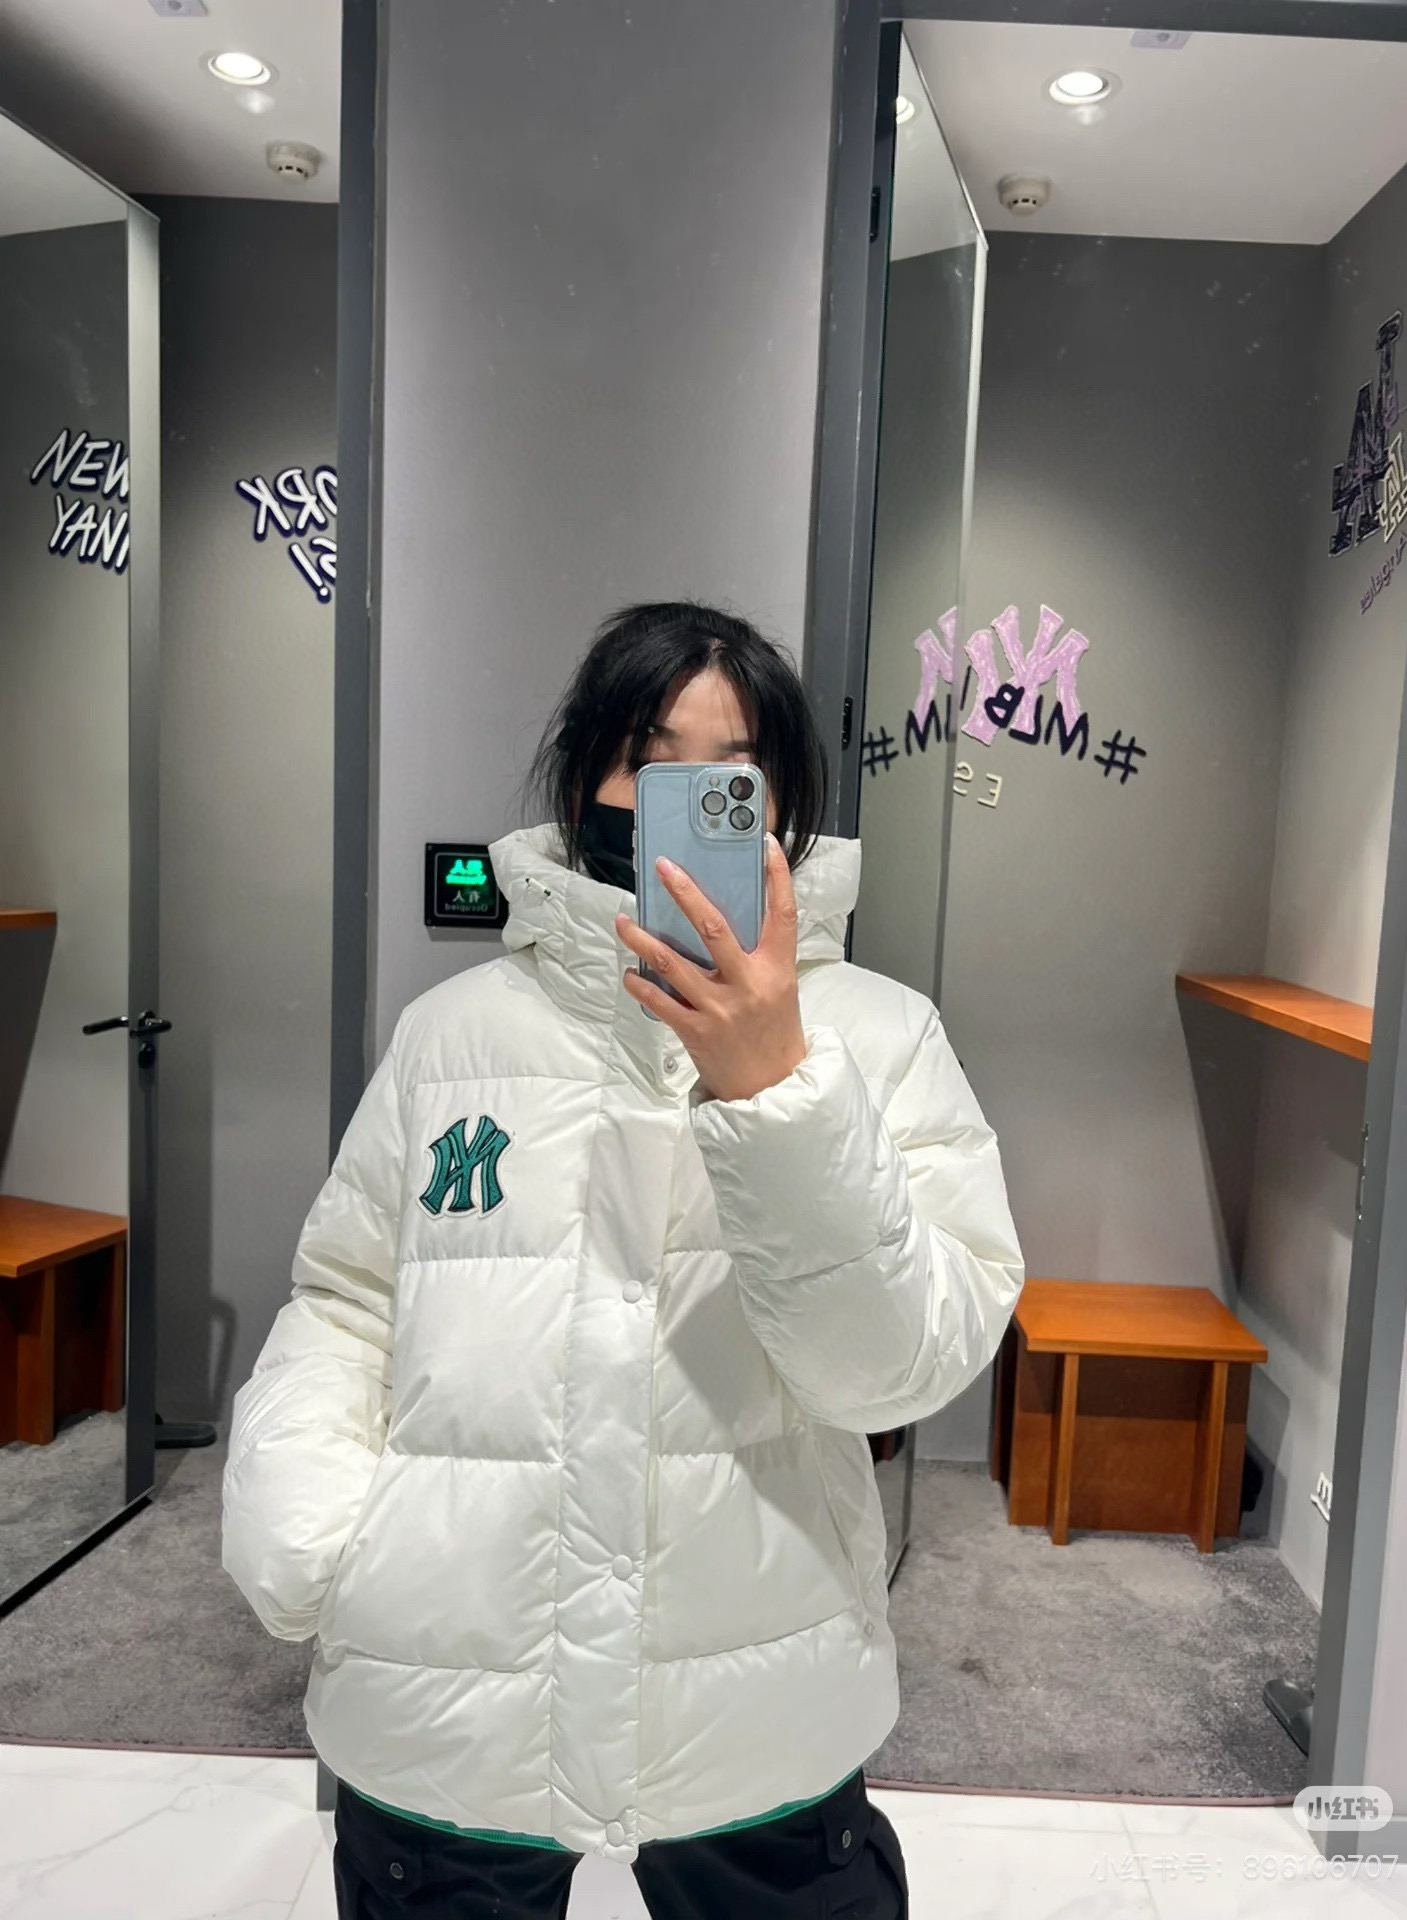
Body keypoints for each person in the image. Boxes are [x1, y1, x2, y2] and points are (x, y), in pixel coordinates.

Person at [221, 600, 1025, 1919]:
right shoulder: (452, 1036)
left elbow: (898, 1371)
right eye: (648, 763)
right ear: (582, 781)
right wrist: (307, 1523)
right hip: (451, 1686)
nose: (685, 803)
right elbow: (351, 1294)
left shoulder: (881, 1041)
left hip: (759, 1690)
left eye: (732, 774)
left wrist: (778, 1092)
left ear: (782, 806)